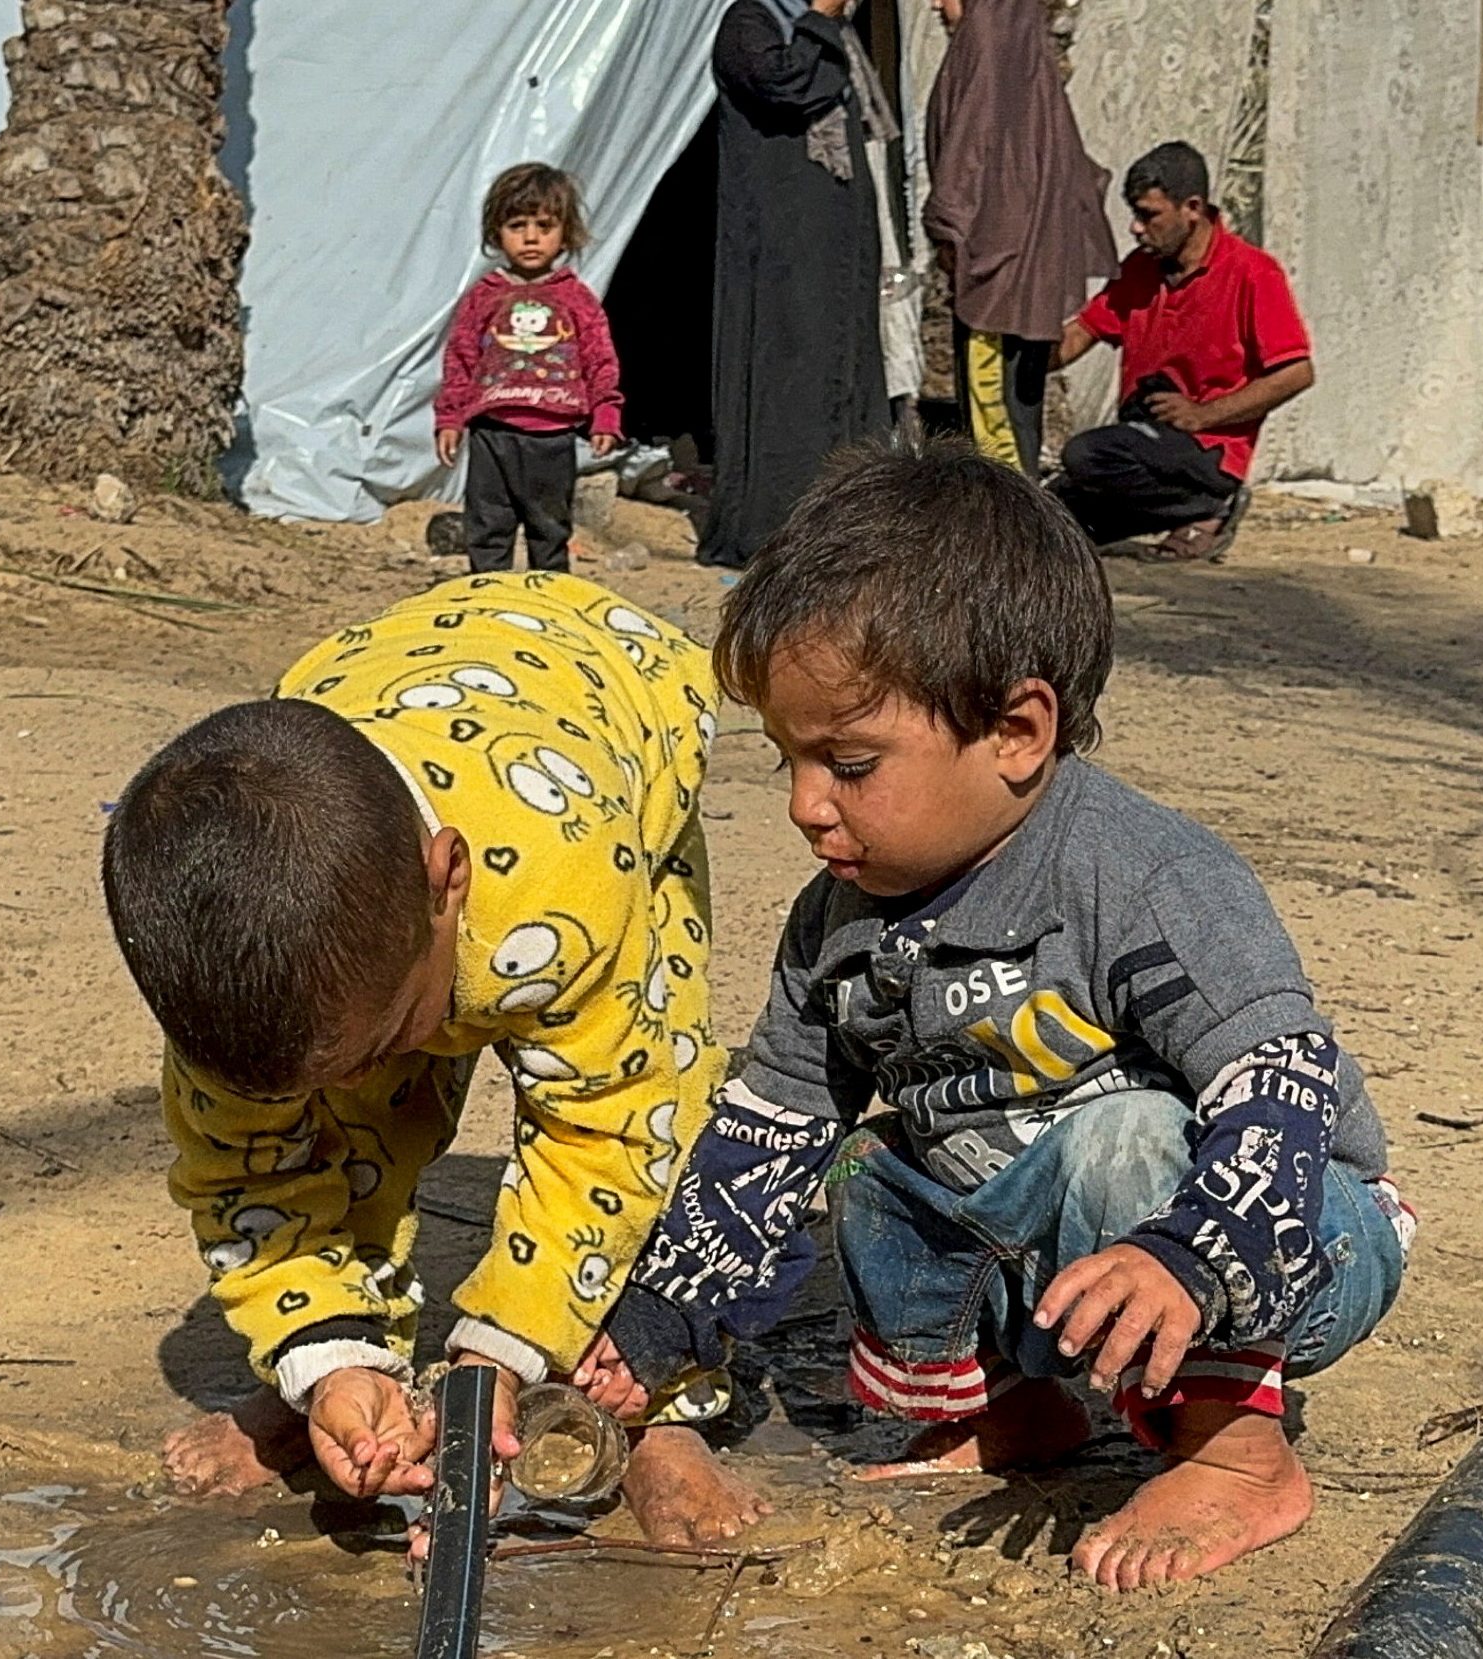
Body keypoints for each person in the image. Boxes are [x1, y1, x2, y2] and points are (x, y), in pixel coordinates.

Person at [570, 449, 1411, 1591]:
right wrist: (657, 1326)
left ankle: (1236, 1448)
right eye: (790, 758)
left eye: (849, 763)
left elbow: (1283, 1085)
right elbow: (768, 1131)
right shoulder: (838, 922)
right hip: (1048, 1247)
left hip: (1285, 1233)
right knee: (869, 1164)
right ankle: (1019, 1412)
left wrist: (1189, 1254)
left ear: (1017, 732)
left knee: (1118, 1144)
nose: (805, 805)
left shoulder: (1140, 877)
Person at [102, 572, 767, 1546]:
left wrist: (500, 1350)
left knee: (656, 1096)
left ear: (443, 883)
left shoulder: (568, 892)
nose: (347, 1082)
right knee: (357, 1114)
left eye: (379, 1039)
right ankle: (344, 1373)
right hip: (384, 688)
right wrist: (325, 1358)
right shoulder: (232, 960)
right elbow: (244, 1166)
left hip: (604, 727)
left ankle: (656, 1407)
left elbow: (609, 1134)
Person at [1049, 142, 1315, 561]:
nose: (1136, 229)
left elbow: (1296, 373)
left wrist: (1203, 414)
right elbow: (1082, 332)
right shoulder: (1141, 269)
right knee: (1051, 518)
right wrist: (1018, 347)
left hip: (1207, 449)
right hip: (1146, 442)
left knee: (1086, 454)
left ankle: (1212, 506)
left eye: (1148, 215)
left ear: (1192, 208)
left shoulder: (1252, 272)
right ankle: (1177, 518)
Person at [699, 0, 892, 569]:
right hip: (782, 251)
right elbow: (788, 84)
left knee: (844, 377)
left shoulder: (834, 37)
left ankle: (842, 522)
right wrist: (819, 22)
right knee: (787, 374)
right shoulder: (748, 24)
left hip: (833, 251)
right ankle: (776, 527)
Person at [922, 0, 1117, 476]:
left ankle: (1012, 533)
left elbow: (971, 152)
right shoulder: (1026, 48)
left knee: (995, 426)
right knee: (1017, 410)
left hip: (994, 270)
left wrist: (948, 226)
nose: (935, 6)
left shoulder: (986, 39)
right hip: (1025, 269)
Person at [435, 164, 622, 574]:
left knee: (549, 529)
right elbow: (460, 360)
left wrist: (605, 415)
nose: (531, 237)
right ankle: (488, 602)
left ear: (566, 232)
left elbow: (599, 360)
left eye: (544, 225)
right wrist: (449, 418)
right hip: (492, 435)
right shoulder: (483, 298)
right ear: (495, 232)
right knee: (488, 526)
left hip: (552, 438)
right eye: (517, 225)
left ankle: (548, 605)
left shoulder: (576, 299)